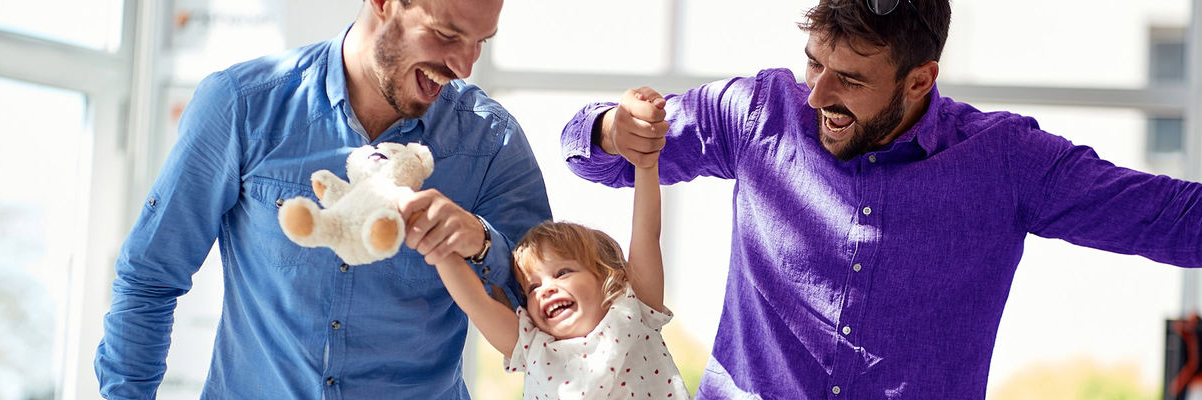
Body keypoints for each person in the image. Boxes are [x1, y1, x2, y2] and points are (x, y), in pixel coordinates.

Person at [559, 0, 1202, 398]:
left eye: (851, 79)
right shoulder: (759, 111)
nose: (816, 94)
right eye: (814, 63)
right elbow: (586, 151)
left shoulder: (1008, 160)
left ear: (920, 80)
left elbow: (1174, 220)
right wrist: (614, 129)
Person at [93, 0, 551, 398]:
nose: (464, 66)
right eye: (446, 35)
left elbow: (548, 326)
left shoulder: (492, 142)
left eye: (480, 42)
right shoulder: (243, 105)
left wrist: (482, 243)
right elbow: (151, 276)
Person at [431, 90, 688, 399]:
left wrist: (646, 164)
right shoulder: (533, 346)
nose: (546, 290)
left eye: (562, 272)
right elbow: (475, 301)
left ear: (608, 276)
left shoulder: (636, 310)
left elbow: (646, 232)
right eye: (532, 287)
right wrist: (437, 247)